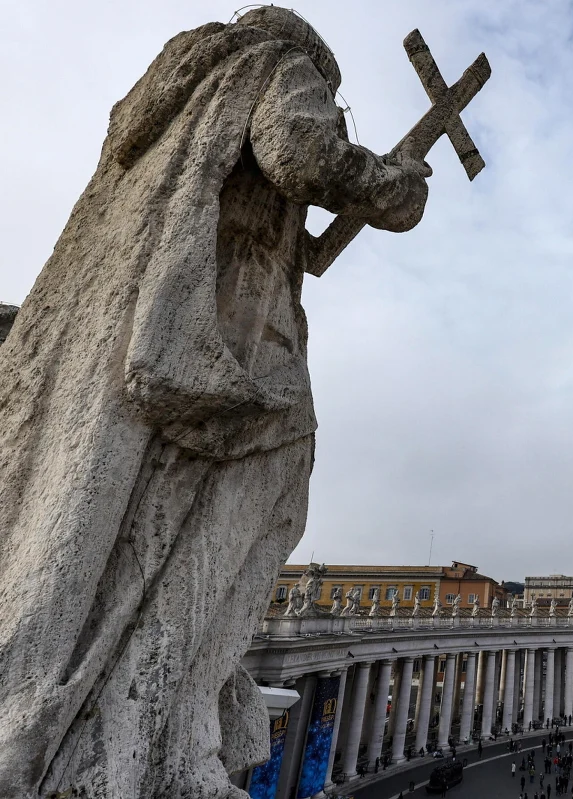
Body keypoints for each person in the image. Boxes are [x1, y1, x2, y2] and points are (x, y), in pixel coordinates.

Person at [0, 8, 434, 796]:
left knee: (137, 522)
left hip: (151, 331)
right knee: (270, 484)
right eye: (333, 100)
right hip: (234, 340)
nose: (332, 109)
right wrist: (393, 187)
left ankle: (148, 722)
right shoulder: (273, 63)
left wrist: (364, 195)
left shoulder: (180, 104)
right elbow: (301, 151)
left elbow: (299, 238)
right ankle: (155, 726)